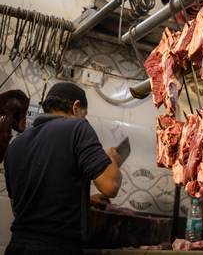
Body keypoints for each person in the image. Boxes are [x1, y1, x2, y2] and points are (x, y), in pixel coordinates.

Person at [3, 82, 123, 255]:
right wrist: (111, 158)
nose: (84, 118)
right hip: (57, 248)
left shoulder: (15, 145)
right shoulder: (77, 127)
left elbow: (19, 208)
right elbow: (110, 185)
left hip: (16, 247)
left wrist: (84, 201)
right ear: (76, 107)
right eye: (84, 114)